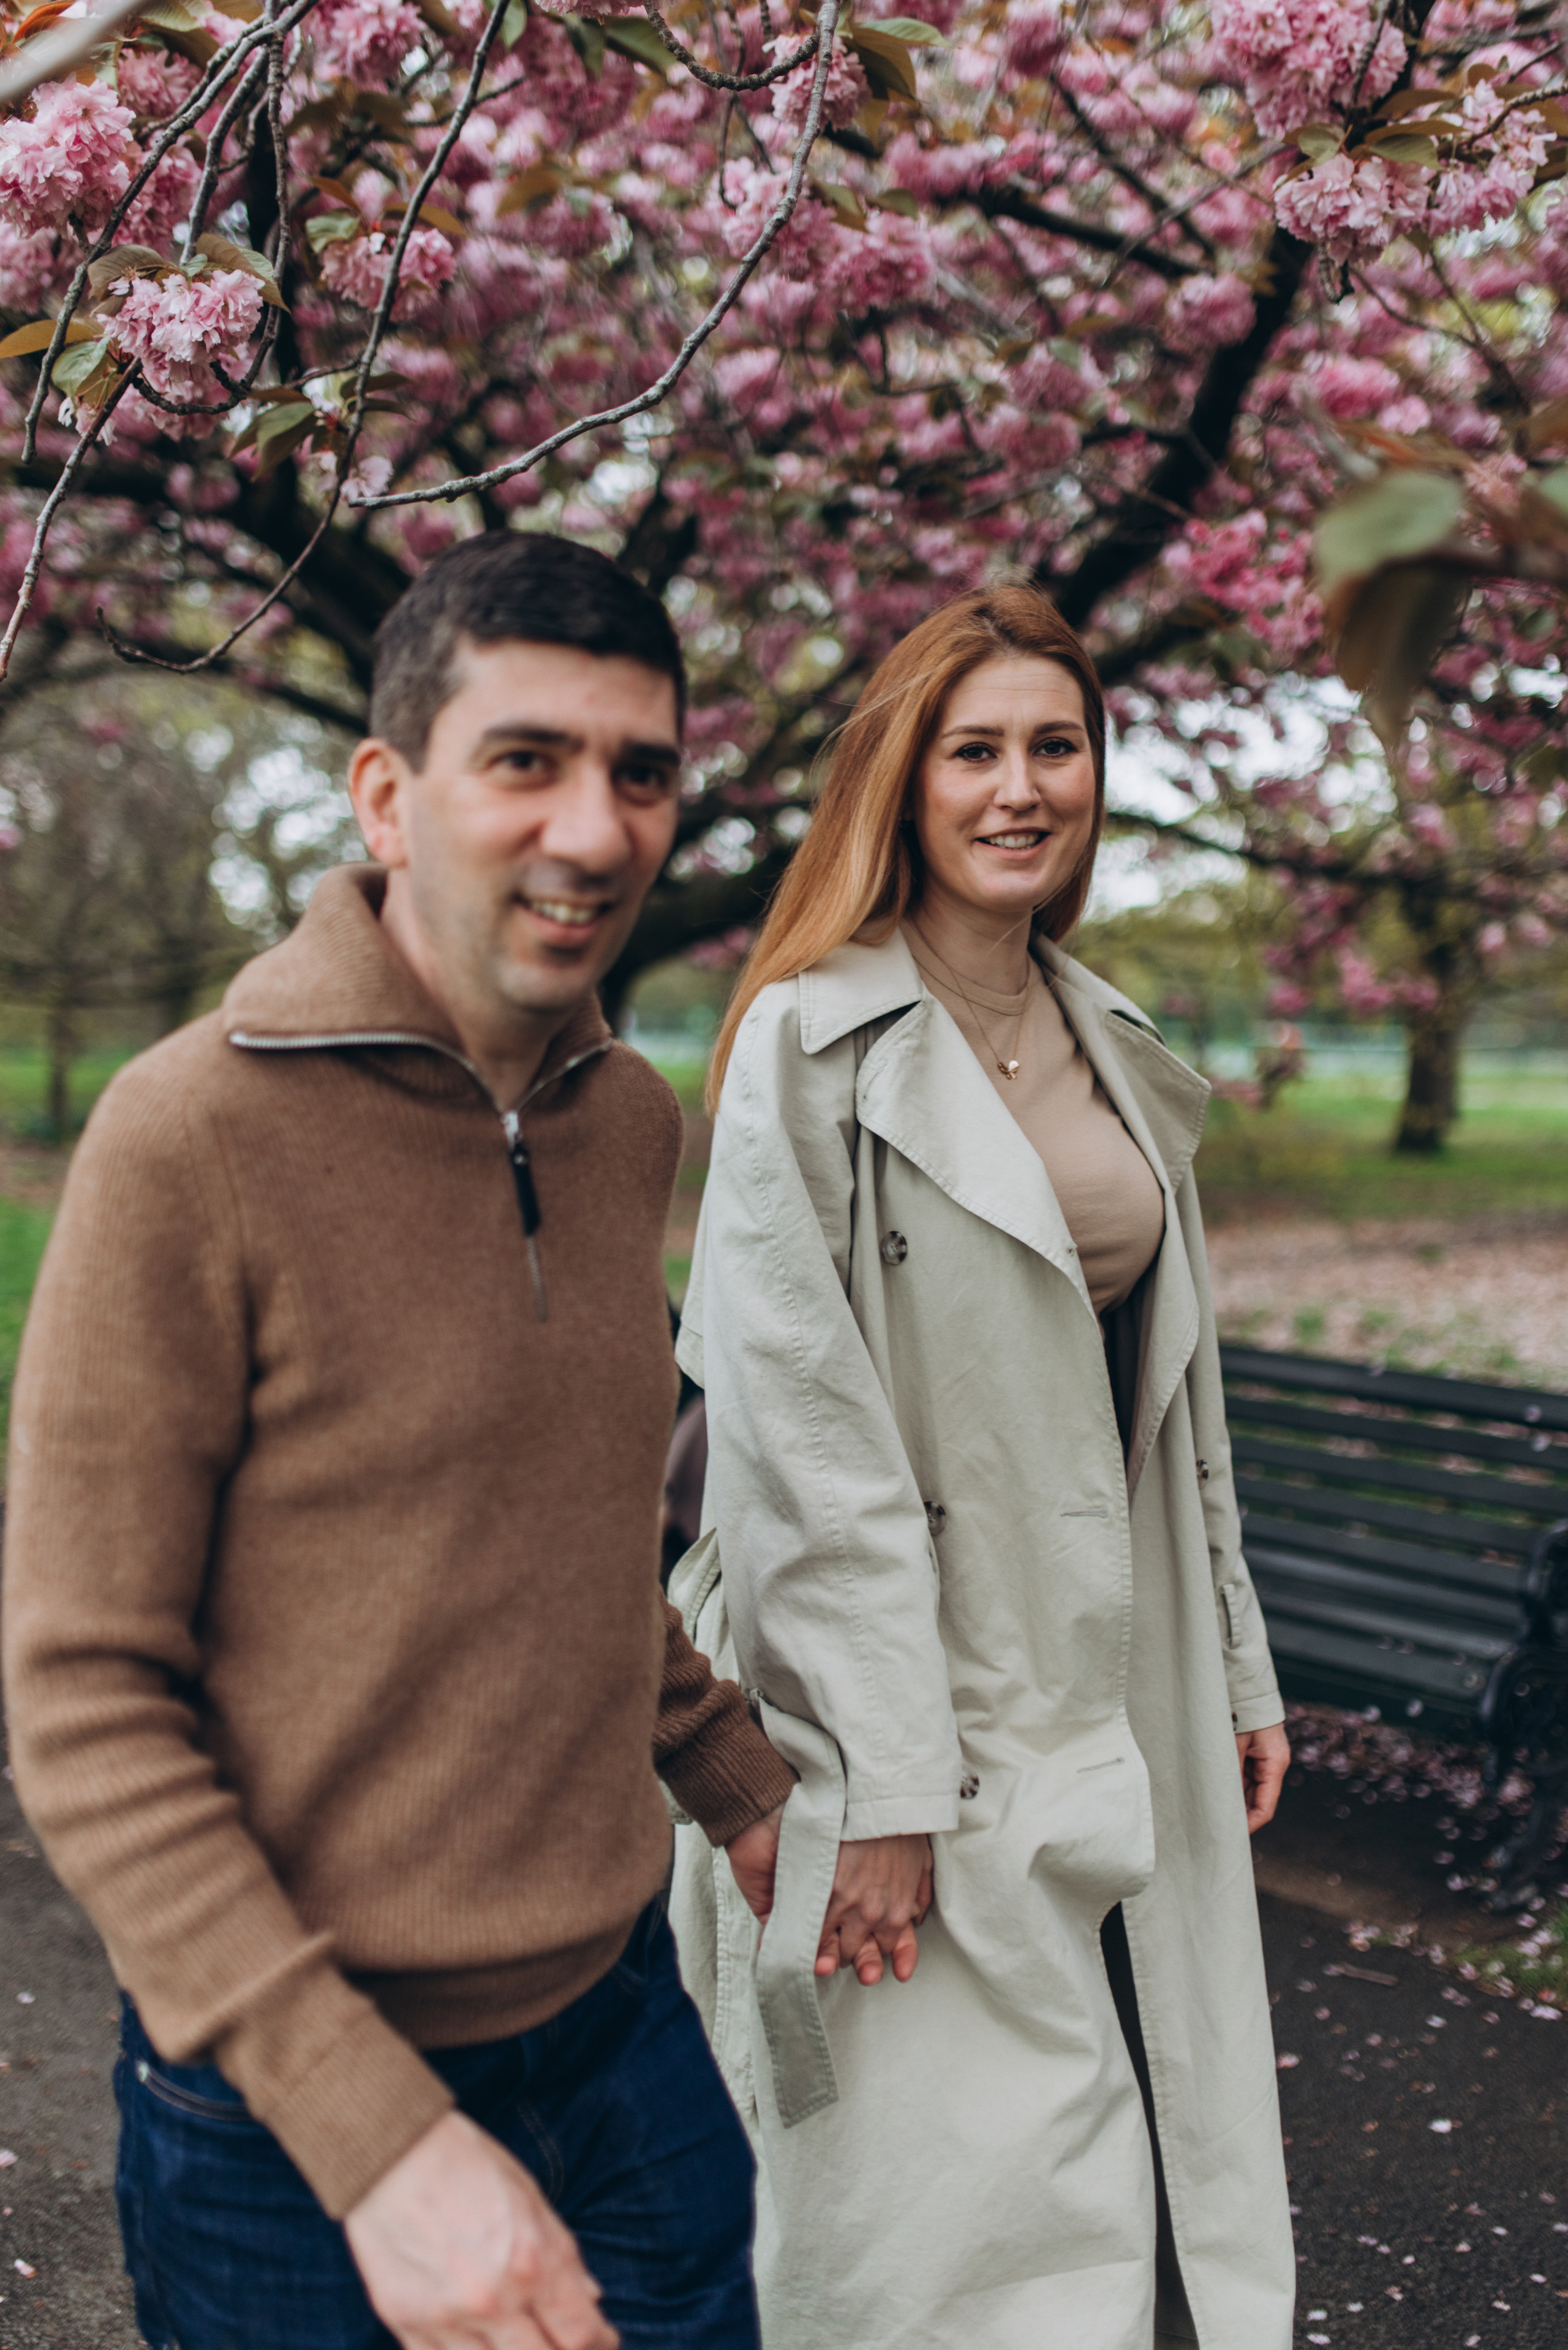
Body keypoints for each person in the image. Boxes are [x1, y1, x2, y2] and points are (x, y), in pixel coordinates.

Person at [2, 532, 798, 2350]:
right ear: (388, 792)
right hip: (290, 2107)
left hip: (623, 2027)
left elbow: (575, 1528)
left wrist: (728, 1777)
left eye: (642, 772)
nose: (594, 831)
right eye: (526, 761)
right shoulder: (185, 1138)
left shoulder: (625, 1123)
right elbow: (81, 1702)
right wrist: (376, 2146)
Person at [667, 585, 1295, 2349]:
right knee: (926, 2211)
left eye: (1057, 745)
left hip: (1100, 1667)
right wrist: (882, 1784)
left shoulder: (1114, 1046)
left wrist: (1230, 1662)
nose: (1024, 786)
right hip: (885, 1686)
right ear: (903, 782)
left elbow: (1176, 1405)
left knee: (1082, 2169)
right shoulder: (811, 1040)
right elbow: (804, 1446)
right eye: (977, 751)